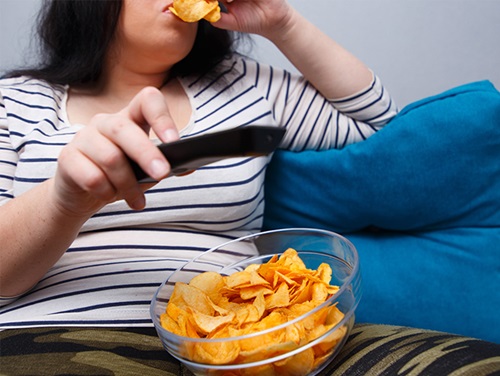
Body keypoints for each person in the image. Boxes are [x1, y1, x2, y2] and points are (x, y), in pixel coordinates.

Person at [0, 0, 397, 327]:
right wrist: (64, 202)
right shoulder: (14, 102)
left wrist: (283, 23)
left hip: (228, 341)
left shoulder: (242, 86)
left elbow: (383, 130)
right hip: (53, 334)